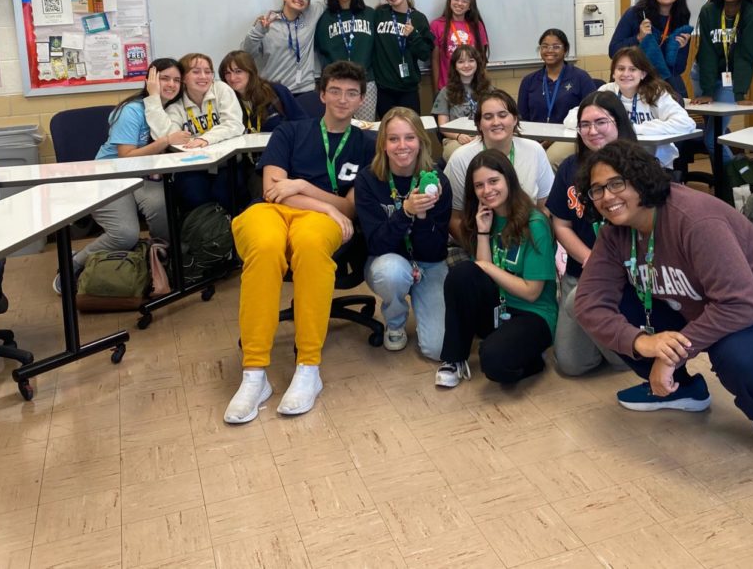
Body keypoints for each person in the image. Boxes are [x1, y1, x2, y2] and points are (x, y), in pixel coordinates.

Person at [574, 141, 753, 469]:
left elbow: (740, 304)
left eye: (616, 183)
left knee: (738, 355)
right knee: (612, 306)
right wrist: (643, 342)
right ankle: (682, 390)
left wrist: (670, 356)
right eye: (596, 190)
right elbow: (587, 303)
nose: (607, 197)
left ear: (640, 178)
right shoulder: (615, 234)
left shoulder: (695, 219)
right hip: (699, 304)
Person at [225, 60, 376, 423]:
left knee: (309, 247)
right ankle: (254, 374)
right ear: (322, 94)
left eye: (351, 93)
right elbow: (272, 191)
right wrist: (324, 203)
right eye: (335, 91)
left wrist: (303, 187)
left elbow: (351, 210)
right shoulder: (290, 132)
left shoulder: (367, 145)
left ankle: (308, 368)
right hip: (272, 212)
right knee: (263, 247)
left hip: (320, 222)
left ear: (361, 100)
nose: (342, 99)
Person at [61, 60, 186, 294]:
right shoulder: (132, 110)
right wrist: (166, 140)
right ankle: (75, 263)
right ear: (150, 81)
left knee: (164, 207)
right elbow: (125, 156)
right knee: (125, 235)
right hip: (110, 175)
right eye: (164, 78)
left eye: (177, 80)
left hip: (143, 177)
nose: (171, 84)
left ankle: (158, 260)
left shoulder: (171, 111)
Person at [435, 150, 557, 387]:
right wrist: (482, 231)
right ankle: (453, 359)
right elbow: (480, 273)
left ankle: (532, 358)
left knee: (494, 362)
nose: (487, 190)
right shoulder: (484, 217)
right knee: (462, 274)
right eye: (479, 185)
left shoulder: (535, 223)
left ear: (508, 180)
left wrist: (488, 268)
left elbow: (532, 292)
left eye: (493, 181)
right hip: (499, 306)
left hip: (533, 313)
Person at [547, 91, 635, 376]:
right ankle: (609, 339)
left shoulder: (639, 166)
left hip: (626, 279)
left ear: (618, 122)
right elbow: (561, 225)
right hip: (579, 273)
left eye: (601, 122)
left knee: (619, 358)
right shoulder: (570, 168)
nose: (592, 131)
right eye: (585, 124)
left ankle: (631, 350)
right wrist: (590, 259)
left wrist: (605, 268)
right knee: (572, 364)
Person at [353, 109, 451, 357]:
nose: (402, 146)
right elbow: (375, 244)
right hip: (387, 260)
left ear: (421, 141)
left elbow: (435, 249)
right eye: (393, 139)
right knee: (392, 272)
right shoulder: (367, 180)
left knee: (438, 349)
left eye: (409, 137)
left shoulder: (437, 180)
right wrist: (405, 211)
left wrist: (421, 215)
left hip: (428, 262)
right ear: (383, 145)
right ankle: (395, 322)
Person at [444, 89, 554, 241]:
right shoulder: (461, 159)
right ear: (478, 124)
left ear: (515, 119)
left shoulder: (535, 150)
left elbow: (544, 207)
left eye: (503, 115)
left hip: (526, 239)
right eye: (488, 117)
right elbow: (454, 218)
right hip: (479, 241)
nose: (496, 122)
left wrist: (533, 242)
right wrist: (479, 251)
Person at [144, 51, 245, 210]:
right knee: (196, 196)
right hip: (194, 166)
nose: (203, 76)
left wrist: (205, 139)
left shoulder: (221, 89)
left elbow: (234, 124)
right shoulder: (176, 104)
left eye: (208, 71)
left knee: (226, 194)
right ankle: (204, 233)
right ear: (184, 77)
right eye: (196, 72)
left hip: (227, 163)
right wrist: (154, 98)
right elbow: (166, 136)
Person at [566, 46, 695, 170]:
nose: (626, 74)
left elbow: (686, 123)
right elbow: (572, 118)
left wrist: (633, 128)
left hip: (653, 162)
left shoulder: (656, 93)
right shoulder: (607, 91)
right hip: (614, 160)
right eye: (620, 69)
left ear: (643, 74)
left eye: (632, 69)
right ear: (614, 73)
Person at [693, 0, 753, 160]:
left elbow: (745, 55)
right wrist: (708, 91)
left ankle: (733, 183)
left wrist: (740, 93)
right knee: (718, 130)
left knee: (711, 139)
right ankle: (734, 175)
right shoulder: (709, 10)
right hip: (703, 74)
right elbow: (706, 51)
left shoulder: (751, 13)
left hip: (730, 80)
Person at [517, 28, 598, 170]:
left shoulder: (580, 78)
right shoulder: (529, 81)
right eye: (545, 46)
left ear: (565, 51)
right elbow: (522, 117)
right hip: (535, 138)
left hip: (568, 137)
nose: (550, 50)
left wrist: (550, 140)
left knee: (548, 161)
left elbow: (592, 112)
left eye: (556, 46)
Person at [609, 0, 694, 98]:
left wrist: (681, 49)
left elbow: (678, 69)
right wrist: (638, 38)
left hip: (664, 84)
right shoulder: (635, 14)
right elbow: (613, 51)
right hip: (633, 83)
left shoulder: (681, 18)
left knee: (679, 98)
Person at [314, 0, 377, 120]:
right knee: (336, 127)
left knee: (365, 129)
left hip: (365, 82)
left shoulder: (369, 14)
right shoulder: (325, 18)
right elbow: (321, 50)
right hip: (335, 84)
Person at [241, 0, 323, 95]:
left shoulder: (311, 15)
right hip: (273, 91)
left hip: (305, 90)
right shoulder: (267, 22)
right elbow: (247, 54)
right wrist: (259, 30)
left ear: (308, 3)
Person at [371, 0, 433, 116]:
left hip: (408, 89)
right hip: (384, 88)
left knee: (412, 130)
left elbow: (425, 54)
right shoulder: (379, 14)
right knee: (387, 132)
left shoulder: (419, 18)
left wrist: (413, 35)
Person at [218, 50, 305, 133]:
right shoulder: (225, 101)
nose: (232, 78)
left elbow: (303, 123)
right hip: (245, 147)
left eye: (238, 71)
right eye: (227, 73)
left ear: (250, 72)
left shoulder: (276, 91)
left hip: (280, 145)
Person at [432, 44, 492, 161]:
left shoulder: (488, 89)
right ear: (455, 66)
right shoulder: (446, 92)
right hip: (455, 139)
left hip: (484, 136)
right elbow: (443, 126)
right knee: (461, 157)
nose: (466, 65)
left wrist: (482, 135)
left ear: (477, 64)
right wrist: (458, 136)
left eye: (471, 61)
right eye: (461, 62)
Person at [429, 0, 489, 90]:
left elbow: (481, 58)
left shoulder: (477, 25)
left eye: (465, 1)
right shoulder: (437, 25)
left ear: (470, 6)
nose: (459, 3)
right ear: (449, 1)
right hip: (447, 87)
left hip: (473, 86)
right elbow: (435, 60)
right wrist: (436, 90)